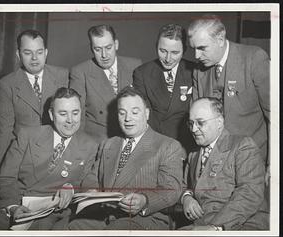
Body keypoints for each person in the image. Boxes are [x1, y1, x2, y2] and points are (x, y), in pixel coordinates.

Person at [68, 86, 185, 230]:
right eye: (122, 113)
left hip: (146, 219)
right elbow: (93, 176)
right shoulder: (108, 144)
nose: (128, 119)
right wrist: (91, 191)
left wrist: (144, 200)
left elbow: (171, 190)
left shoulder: (168, 145)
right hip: (105, 216)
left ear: (147, 114)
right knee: (70, 228)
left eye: (135, 112)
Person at [0, 87, 99, 230]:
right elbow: (6, 177)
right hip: (17, 205)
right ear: (51, 115)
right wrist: (13, 208)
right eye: (63, 114)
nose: (70, 120)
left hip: (56, 213)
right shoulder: (27, 135)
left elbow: (88, 183)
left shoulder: (90, 145)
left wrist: (72, 188)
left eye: (75, 113)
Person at [188, 15, 270, 184]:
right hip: (214, 165)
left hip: (250, 163)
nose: (196, 55)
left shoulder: (254, 58)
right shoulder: (199, 71)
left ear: (220, 39)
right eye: (194, 48)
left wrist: (273, 163)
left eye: (202, 48)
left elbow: (275, 116)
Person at [179, 97, 269, 230]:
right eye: (191, 123)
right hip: (203, 223)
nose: (193, 129)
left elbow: (250, 193)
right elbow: (181, 185)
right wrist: (186, 198)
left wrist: (216, 227)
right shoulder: (193, 155)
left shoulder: (242, 146)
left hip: (240, 224)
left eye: (200, 123)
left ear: (219, 122)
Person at [0, 29, 69, 170]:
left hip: (59, 156)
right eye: (28, 53)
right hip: (24, 158)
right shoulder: (6, 85)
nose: (34, 58)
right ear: (18, 55)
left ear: (46, 52)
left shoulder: (63, 76)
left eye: (39, 52)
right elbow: (3, 132)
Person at [69, 24, 142, 143]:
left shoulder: (135, 66)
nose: (104, 55)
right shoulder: (80, 72)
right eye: (98, 49)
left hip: (132, 140)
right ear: (92, 49)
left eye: (108, 47)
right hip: (98, 142)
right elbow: (77, 115)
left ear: (116, 44)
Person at [133, 23, 195, 153]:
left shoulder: (195, 72)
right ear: (156, 47)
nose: (168, 59)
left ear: (184, 50)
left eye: (175, 52)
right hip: (155, 146)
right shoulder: (142, 73)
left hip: (188, 145)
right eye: (163, 51)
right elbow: (145, 116)